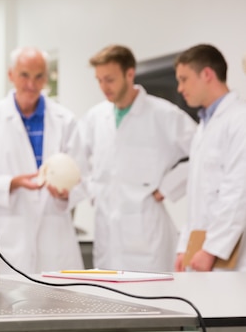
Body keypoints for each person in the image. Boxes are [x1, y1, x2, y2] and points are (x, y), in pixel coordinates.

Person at [68, 44, 197, 272]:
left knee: (153, 300)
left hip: (147, 232)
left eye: (109, 79)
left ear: (130, 73)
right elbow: (75, 161)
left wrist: (168, 187)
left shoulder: (163, 114)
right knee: (109, 300)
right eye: (99, 80)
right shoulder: (96, 117)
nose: (103, 87)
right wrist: (92, 189)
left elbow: (201, 152)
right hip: (107, 230)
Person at [0, 46, 84, 274]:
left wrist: (66, 193)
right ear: (11, 75)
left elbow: (83, 175)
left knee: (60, 305)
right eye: (24, 75)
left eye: (39, 76)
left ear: (46, 77)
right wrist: (13, 183)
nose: (32, 83)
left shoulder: (65, 121)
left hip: (55, 236)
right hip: (10, 237)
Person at [174, 44, 246, 272]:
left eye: (184, 79)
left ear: (207, 74)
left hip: (226, 253)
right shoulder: (204, 127)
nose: (180, 88)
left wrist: (212, 249)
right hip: (204, 249)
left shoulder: (239, 120)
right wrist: (185, 246)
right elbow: (198, 197)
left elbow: (238, 190)